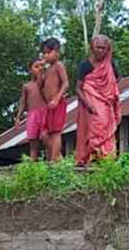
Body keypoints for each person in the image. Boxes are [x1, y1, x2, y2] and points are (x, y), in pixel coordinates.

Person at [75, 35, 122, 166]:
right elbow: (78, 88)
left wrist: (108, 88)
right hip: (90, 102)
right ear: (92, 48)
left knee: (107, 128)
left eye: (104, 48)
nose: (100, 50)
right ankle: (92, 156)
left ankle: (106, 158)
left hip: (106, 101)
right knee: (95, 127)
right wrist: (88, 102)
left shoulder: (110, 64)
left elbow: (117, 79)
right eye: (98, 47)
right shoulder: (85, 65)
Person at [40, 38, 70, 161]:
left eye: (48, 52)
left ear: (57, 51)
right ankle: (58, 158)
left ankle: (53, 161)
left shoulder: (59, 65)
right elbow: (41, 86)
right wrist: (39, 72)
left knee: (56, 133)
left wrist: (57, 99)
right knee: (44, 134)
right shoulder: (47, 70)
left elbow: (66, 83)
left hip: (57, 103)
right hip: (48, 106)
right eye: (44, 53)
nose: (46, 55)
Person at [15, 57, 49, 161]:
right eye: (36, 66)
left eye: (41, 66)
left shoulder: (46, 82)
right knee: (33, 144)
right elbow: (23, 102)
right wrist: (18, 117)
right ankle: (32, 166)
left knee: (47, 140)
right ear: (30, 70)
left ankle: (52, 164)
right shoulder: (27, 86)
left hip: (45, 114)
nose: (39, 68)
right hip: (32, 115)